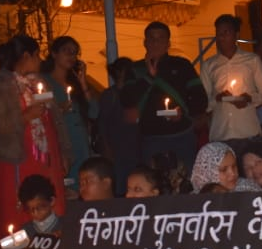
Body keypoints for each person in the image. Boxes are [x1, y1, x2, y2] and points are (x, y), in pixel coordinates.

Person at [0, 34, 68, 235]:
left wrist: (64, 152)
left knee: (49, 196)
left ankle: (53, 241)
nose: (40, 60)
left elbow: (56, 120)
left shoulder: (40, 82)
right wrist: (25, 117)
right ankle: (20, 247)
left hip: (47, 156)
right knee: (21, 203)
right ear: (26, 56)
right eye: (37, 55)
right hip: (19, 157)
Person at [122, 21, 207, 174]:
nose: (156, 43)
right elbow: (127, 100)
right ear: (145, 42)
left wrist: (183, 113)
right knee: (153, 183)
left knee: (186, 180)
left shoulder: (182, 65)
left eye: (160, 38)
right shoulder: (135, 69)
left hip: (182, 137)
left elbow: (200, 98)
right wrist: (149, 77)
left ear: (168, 43)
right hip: (149, 139)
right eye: (151, 38)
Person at [200, 14, 262, 147]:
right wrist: (217, 98)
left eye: (226, 33)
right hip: (221, 133)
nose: (221, 37)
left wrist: (249, 98)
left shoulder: (252, 60)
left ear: (236, 35)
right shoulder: (209, 65)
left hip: (247, 132)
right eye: (219, 34)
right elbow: (203, 102)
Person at [43, 35, 95, 184]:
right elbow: (42, 111)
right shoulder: (44, 81)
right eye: (66, 51)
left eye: (74, 53)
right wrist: (59, 109)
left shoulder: (75, 83)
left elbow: (94, 112)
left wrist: (83, 83)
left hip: (80, 141)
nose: (71, 56)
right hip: (61, 140)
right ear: (54, 53)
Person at [95, 57, 142, 196]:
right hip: (117, 148)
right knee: (120, 186)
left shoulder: (135, 93)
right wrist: (106, 147)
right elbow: (102, 123)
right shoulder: (110, 95)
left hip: (135, 147)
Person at [190, 141, 262, 193]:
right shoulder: (192, 203)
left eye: (234, 166)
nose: (232, 173)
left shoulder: (249, 189)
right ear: (208, 173)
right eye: (224, 169)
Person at [17, 173, 65, 238]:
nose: (35, 213)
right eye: (31, 210)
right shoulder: (24, 231)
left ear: (52, 201)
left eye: (39, 208)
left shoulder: (66, 225)